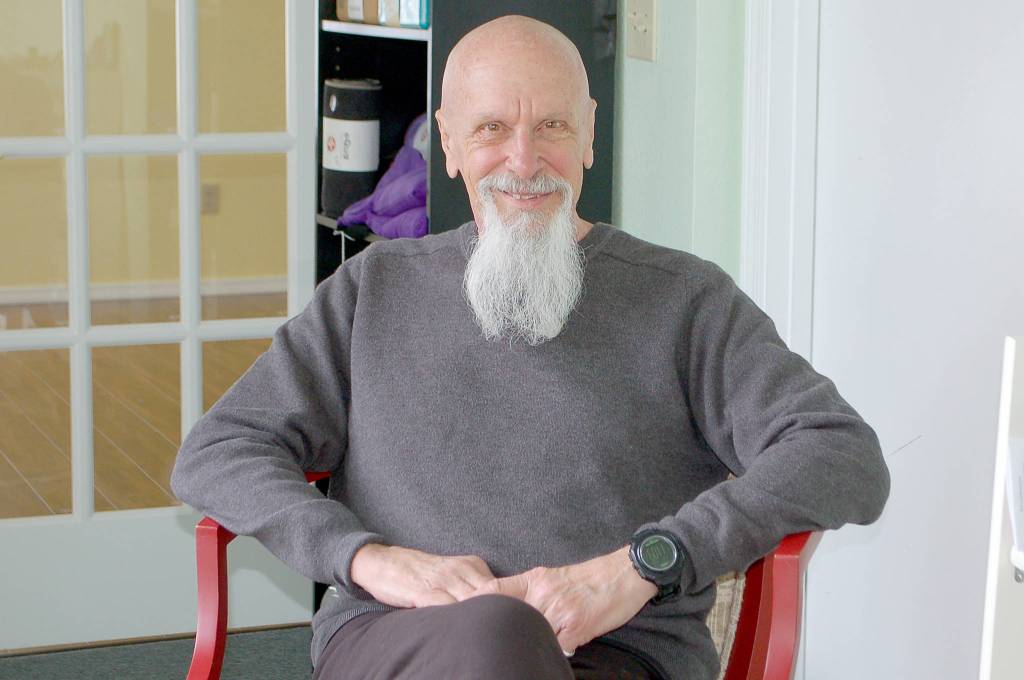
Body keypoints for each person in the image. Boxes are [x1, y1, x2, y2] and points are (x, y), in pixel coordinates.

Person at [171, 14, 890, 680]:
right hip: (397, 641)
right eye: (492, 128)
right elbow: (218, 451)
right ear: (449, 143)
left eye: (552, 125)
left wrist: (644, 564)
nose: (524, 159)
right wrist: (367, 559)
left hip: (617, 653)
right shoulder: (372, 290)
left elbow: (840, 451)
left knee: (505, 640)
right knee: (497, 636)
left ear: (589, 135)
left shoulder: (684, 299)